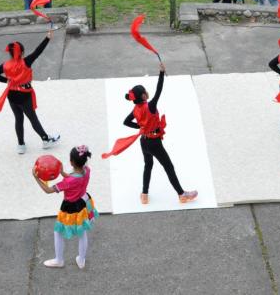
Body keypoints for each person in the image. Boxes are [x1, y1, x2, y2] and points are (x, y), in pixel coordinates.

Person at [106, 63, 198, 206]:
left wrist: (141, 127)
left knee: (148, 165)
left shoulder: (136, 109)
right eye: (145, 92)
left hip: (144, 141)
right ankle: (181, 194)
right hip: (154, 143)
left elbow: (126, 122)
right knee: (169, 167)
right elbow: (159, 90)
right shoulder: (150, 106)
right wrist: (161, 73)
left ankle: (144, 194)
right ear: (143, 95)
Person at [0, 31, 61, 153]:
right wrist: (47, 38)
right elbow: (38, 51)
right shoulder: (26, 62)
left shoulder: (5, 65)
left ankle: (21, 145)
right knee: (33, 119)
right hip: (24, 95)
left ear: (10, 53)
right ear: (22, 52)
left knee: (18, 119)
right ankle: (46, 140)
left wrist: (7, 81)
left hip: (11, 95)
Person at [33, 145, 98, 269]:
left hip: (70, 208)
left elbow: (48, 190)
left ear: (71, 162)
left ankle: (59, 260)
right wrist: (62, 173)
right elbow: (75, 177)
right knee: (82, 233)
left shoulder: (68, 182)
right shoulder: (87, 170)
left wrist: (36, 177)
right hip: (83, 202)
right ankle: (81, 259)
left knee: (58, 232)